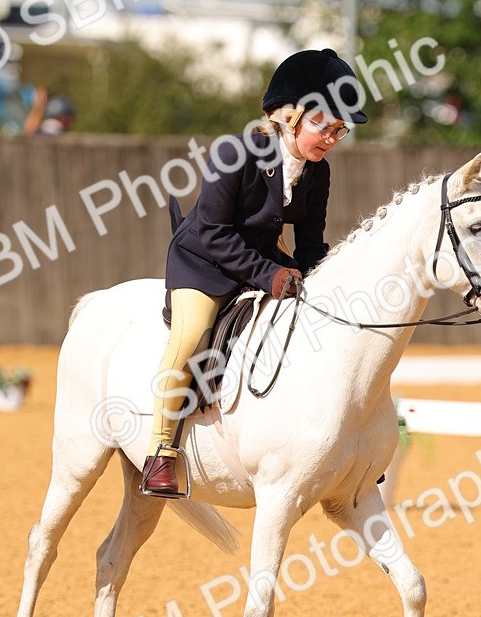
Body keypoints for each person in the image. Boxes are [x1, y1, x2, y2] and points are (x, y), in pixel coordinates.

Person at [141, 46, 368, 496]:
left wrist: (322, 286)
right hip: (203, 262)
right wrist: (270, 276)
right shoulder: (235, 152)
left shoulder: (317, 173)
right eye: (323, 124)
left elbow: (309, 246)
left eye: (339, 131)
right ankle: (160, 452)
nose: (330, 138)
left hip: (262, 261)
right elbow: (212, 233)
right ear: (288, 116)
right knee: (189, 338)